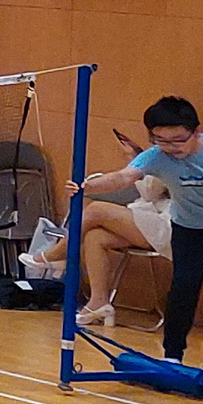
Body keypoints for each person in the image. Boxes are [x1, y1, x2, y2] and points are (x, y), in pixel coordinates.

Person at [87, 96, 203, 361]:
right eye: (161, 141)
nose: (171, 148)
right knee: (183, 290)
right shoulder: (155, 157)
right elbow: (124, 177)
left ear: (196, 132)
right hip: (190, 229)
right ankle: (172, 356)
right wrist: (87, 187)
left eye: (178, 140)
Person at [72, 121, 173, 333]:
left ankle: (57, 254)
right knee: (95, 236)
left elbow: (151, 191)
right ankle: (99, 301)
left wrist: (134, 159)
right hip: (152, 218)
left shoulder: (173, 157)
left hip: (170, 226)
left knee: (96, 210)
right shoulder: (155, 156)